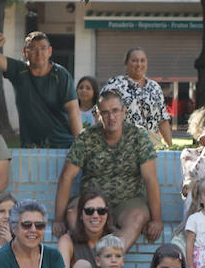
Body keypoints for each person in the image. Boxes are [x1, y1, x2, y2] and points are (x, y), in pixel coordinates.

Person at [55, 91, 162, 249]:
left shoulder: (138, 136)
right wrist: (58, 219)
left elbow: (150, 179)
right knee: (73, 215)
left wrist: (156, 219)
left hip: (128, 201)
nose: (111, 117)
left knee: (138, 217)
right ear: (97, 114)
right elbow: (66, 177)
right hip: (92, 200)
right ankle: (97, 260)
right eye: (105, 112)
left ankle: (110, 257)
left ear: (124, 111)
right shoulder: (87, 137)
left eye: (115, 111)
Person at [0, 30, 81, 148]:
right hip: (29, 147)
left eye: (43, 48)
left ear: (50, 51)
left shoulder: (61, 75)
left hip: (61, 145)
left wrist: (80, 147)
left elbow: (74, 112)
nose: (39, 53)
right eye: (32, 49)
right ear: (25, 53)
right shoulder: (19, 70)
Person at [102, 47, 173, 147]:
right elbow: (101, 115)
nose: (139, 64)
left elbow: (162, 120)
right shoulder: (115, 85)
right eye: (134, 61)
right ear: (126, 63)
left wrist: (170, 146)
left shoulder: (155, 87)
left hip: (152, 146)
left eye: (142, 61)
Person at [56, 188, 116, 268]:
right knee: (82, 266)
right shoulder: (67, 241)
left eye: (101, 211)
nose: (95, 216)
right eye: (89, 211)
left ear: (107, 214)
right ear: (80, 215)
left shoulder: (115, 241)